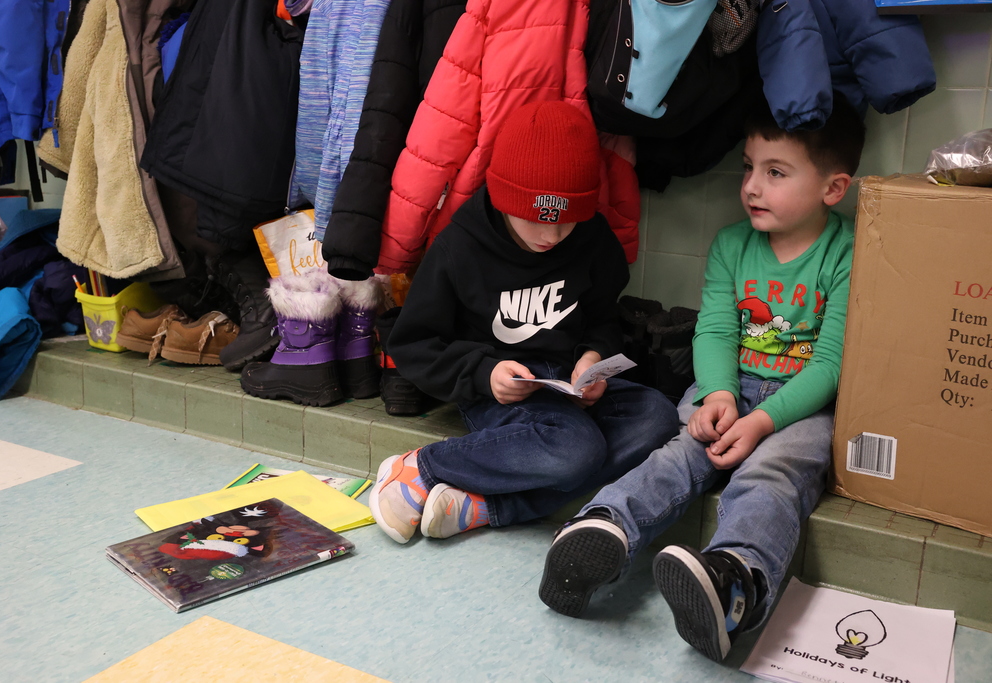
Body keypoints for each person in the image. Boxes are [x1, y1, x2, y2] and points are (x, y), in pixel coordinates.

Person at [538, 94, 866, 664]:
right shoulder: (733, 245)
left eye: (776, 172)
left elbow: (833, 364)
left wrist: (764, 420)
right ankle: (601, 529)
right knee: (680, 452)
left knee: (772, 473)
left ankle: (734, 583)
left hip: (802, 406)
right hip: (728, 386)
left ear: (833, 188)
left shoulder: (848, 252)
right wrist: (718, 394)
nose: (752, 187)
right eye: (748, 167)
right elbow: (714, 330)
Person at [368, 100, 680, 544]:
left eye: (568, 221)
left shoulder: (594, 240)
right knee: (576, 450)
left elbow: (602, 318)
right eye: (536, 219)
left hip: (569, 391)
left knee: (657, 417)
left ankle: (483, 506)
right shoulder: (460, 248)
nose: (552, 235)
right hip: (501, 393)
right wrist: (484, 372)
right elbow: (416, 344)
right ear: (503, 198)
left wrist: (593, 359)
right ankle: (421, 467)